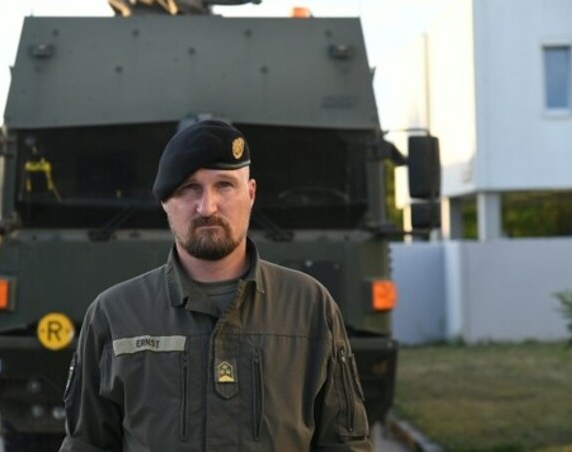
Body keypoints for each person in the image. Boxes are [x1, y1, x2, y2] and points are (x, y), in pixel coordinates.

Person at [59, 119, 372, 451]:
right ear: (165, 201)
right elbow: (86, 444)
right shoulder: (113, 316)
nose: (207, 207)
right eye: (188, 188)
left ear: (250, 193)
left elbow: (345, 443)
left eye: (224, 185)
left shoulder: (310, 307)